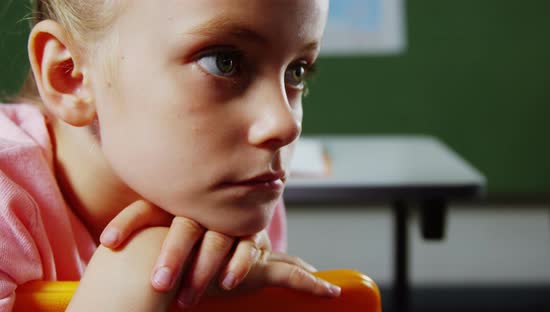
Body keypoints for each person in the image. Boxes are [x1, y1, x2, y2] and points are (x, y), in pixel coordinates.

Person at [0, 0, 337, 310]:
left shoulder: (239, 196)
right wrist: (135, 273)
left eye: (297, 70)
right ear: (70, 75)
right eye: (224, 62)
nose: (285, 124)